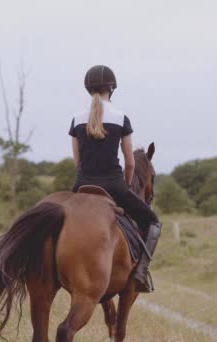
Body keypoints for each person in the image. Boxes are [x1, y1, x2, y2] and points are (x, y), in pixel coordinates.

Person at [69, 65, 161, 292]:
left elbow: (77, 162)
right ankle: (140, 272)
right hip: (113, 185)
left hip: (81, 185)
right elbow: (130, 162)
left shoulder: (76, 119)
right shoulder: (121, 118)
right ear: (112, 88)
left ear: (88, 89)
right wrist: (126, 184)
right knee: (153, 222)